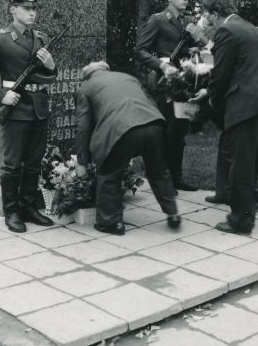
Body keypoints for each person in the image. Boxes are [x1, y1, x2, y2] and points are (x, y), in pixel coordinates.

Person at [190, 0, 258, 234]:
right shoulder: (250, 27)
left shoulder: (226, 31)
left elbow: (221, 74)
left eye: (206, 13)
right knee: (251, 160)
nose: (205, 18)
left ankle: (241, 221)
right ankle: (252, 201)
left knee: (241, 163)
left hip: (247, 104)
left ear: (214, 13)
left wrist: (209, 97)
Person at [0, 0, 56, 233]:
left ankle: (29, 207)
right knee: (13, 164)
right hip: (16, 109)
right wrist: (0, 96)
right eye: (26, 8)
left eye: (34, 9)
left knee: (34, 163)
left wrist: (51, 65)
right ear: (13, 9)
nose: (32, 13)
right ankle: (12, 212)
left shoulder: (41, 38)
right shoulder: (0, 39)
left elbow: (49, 77)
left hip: (39, 107)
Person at [74, 61, 181, 235]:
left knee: (109, 173)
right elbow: (149, 100)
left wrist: (82, 161)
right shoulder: (128, 78)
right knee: (158, 170)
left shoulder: (85, 88)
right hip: (153, 123)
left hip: (121, 129)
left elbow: (83, 127)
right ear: (107, 69)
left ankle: (111, 223)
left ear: (86, 77)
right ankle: (173, 213)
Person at [135, 0, 206, 192]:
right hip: (164, 84)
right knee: (165, 132)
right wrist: (161, 65)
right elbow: (140, 51)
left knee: (181, 132)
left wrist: (197, 42)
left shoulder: (188, 23)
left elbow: (204, 48)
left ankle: (177, 177)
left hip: (185, 84)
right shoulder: (158, 19)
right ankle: (161, 179)